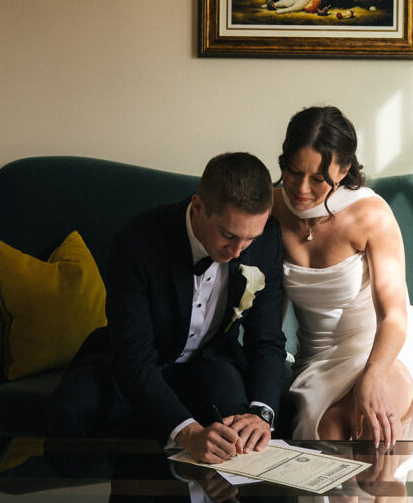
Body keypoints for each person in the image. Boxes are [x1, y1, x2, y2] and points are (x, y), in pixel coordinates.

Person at [49, 151, 286, 464]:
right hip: (135, 359)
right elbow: (132, 356)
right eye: (228, 235)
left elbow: (267, 339)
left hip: (211, 361)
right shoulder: (137, 241)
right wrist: (186, 432)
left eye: (250, 238)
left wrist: (261, 414)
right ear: (198, 207)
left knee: (237, 430)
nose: (238, 251)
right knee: (73, 408)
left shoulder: (268, 239)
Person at [273, 106, 413, 448]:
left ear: (344, 170)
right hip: (319, 358)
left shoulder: (370, 216)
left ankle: (386, 484)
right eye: (293, 172)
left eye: (318, 179)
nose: (301, 188)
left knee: (369, 424)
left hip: (383, 346)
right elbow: (271, 312)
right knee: (331, 433)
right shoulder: (271, 209)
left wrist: (372, 377)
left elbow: (394, 316)